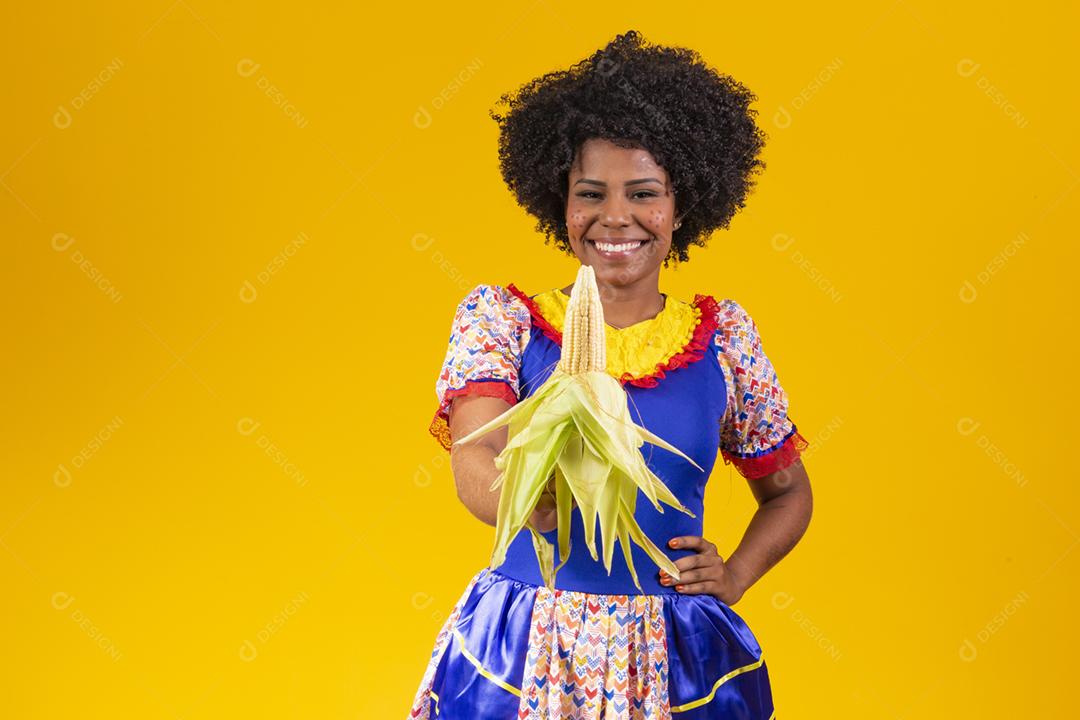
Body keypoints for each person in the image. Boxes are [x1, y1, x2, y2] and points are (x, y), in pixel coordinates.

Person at [408, 30, 812, 720]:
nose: (615, 217)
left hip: (675, 652)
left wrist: (737, 573)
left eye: (644, 193)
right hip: (531, 646)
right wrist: (523, 499)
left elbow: (788, 492)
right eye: (590, 193)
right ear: (560, 202)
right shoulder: (504, 322)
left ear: (681, 206)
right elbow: (476, 454)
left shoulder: (724, 340)